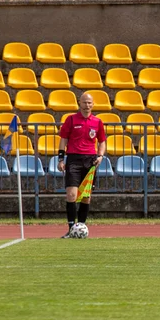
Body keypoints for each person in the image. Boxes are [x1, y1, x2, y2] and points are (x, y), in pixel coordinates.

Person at [57, 92, 106, 237]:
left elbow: (102, 141)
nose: (87, 105)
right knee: (71, 194)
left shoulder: (97, 122)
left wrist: (100, 156)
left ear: (93, 104)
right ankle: (72, 229)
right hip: (73, 159)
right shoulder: (71, 119)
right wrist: (61, 159)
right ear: (79, 103)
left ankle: (82, 227)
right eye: (85, 102)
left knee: (86, 196)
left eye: (90, 103)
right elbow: (63, 139)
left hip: (90, 161)